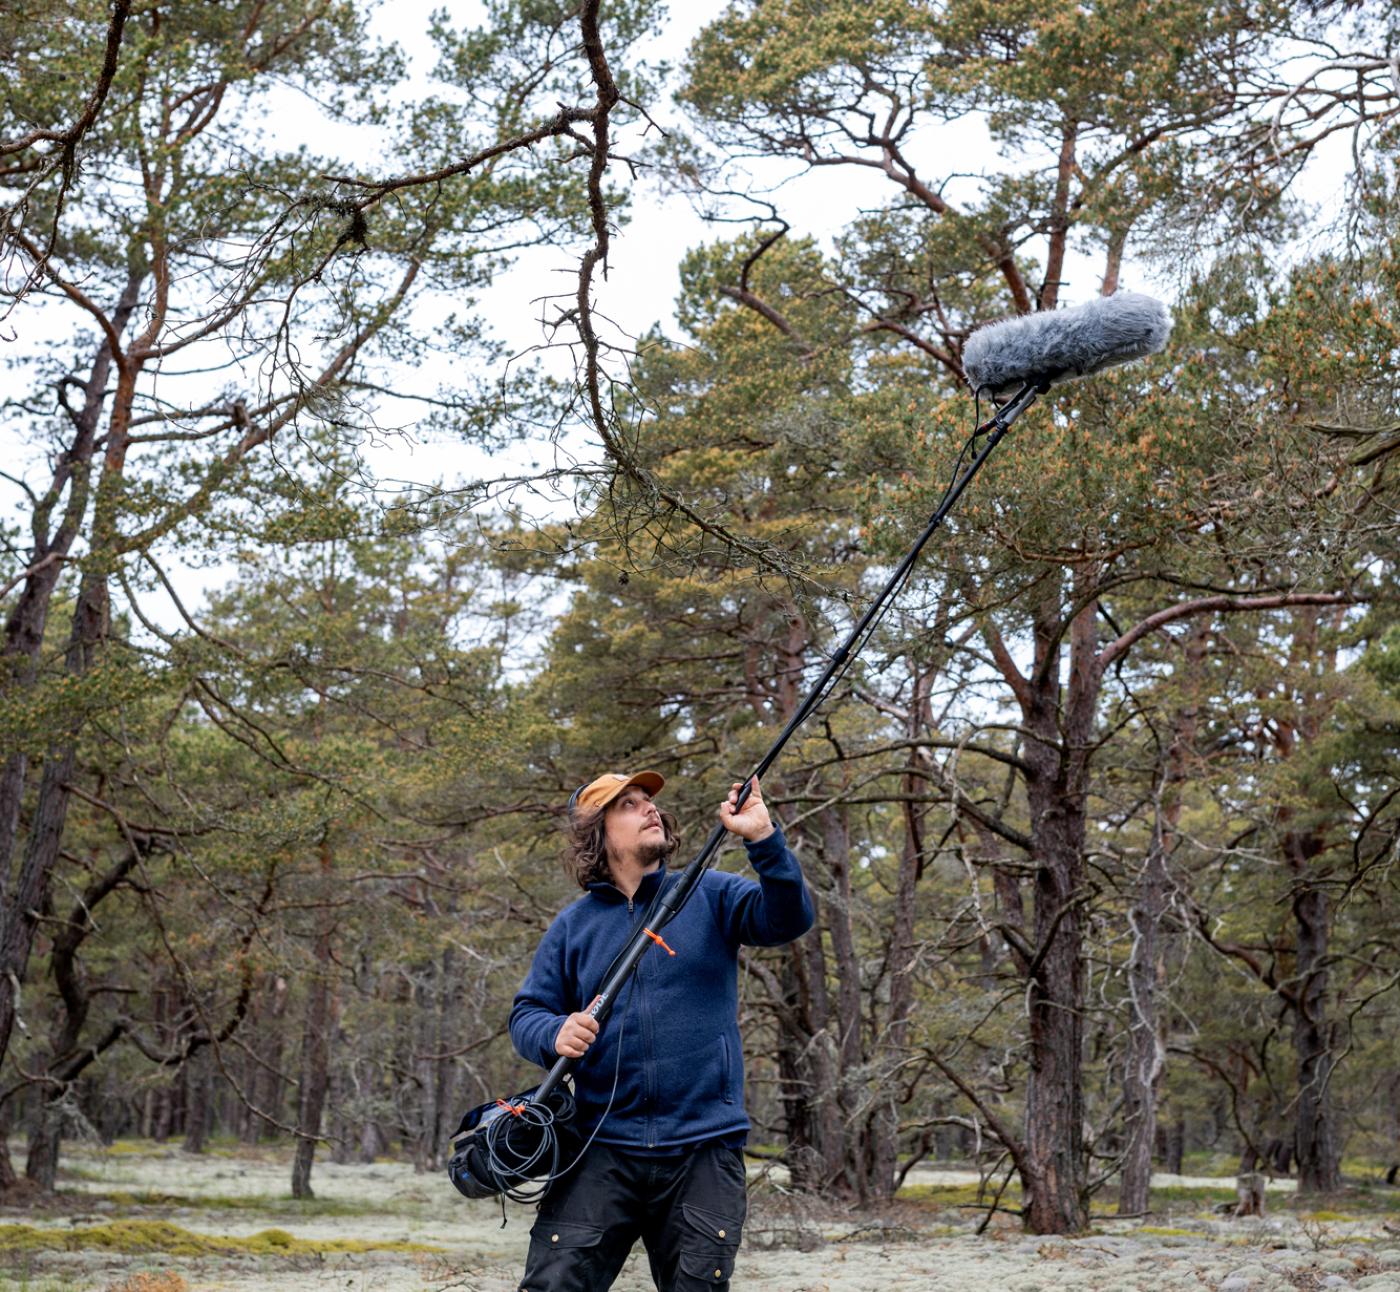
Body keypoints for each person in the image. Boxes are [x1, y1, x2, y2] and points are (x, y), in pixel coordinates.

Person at [509, 769, 814, 1292]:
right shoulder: (571, 927)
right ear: (597, 835)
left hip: (703, 1149)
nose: (649, 808)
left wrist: (764, 838)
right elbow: (526, 1015)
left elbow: (789, 918)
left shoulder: (711, 895)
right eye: (627, 805)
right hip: (600, 1147)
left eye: (648, 799)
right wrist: (553, 1032)